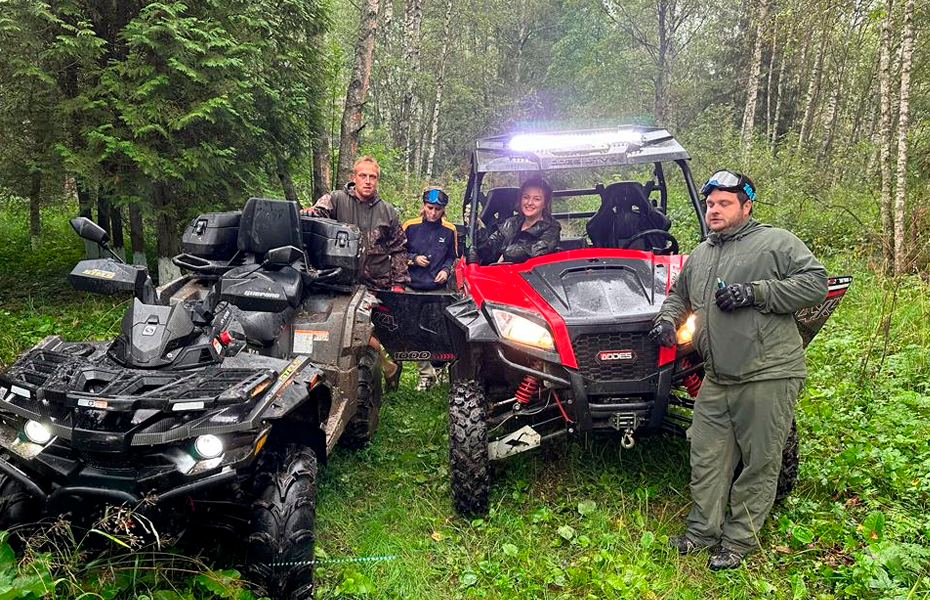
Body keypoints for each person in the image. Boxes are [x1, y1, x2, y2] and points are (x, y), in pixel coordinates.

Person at [649, 170, 827, 570]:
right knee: (706, 457)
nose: (714, 209)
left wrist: (758, 292)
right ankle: (701, 532)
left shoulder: (775, 243)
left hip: (767, 373)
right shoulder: (701, 254)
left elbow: (816, 282)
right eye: (710, 203)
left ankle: (738, 541)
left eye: (724, 203)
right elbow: (680, 297)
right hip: (717, 377)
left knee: (760, 461)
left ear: (746, 206)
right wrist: (667, 319)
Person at [303, 155, 408, 390]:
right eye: (363, 176)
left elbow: (399, 248)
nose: (368, 181)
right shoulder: (336, 200)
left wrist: (399, 283)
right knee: (352, 333)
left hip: (377, 284)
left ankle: (381, 375)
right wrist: (309, 213)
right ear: (354, 178)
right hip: (341, 282)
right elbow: (316, 217)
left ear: (377, 180)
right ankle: (381, 370)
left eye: (373, 177)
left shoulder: (387, 211)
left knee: (374, 334)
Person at [403, 186, 458, 390]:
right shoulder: (410, 226)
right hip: (413, 286)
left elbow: (453, 256)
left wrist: (445, 270)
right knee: (415, 332)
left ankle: (441, 367)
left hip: (437, 287)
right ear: (423, 206)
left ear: (443, 209)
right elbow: (398, 252)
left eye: (437, 209)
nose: (433, 213)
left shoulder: (449, 230)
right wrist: (414, 259)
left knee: (442, 331)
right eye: (429, 208)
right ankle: (425, 375)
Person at [476, 175, 561, 264]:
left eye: (536, 199)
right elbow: (488, 251)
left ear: (544, 204)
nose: (529, 202)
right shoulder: (510, 223)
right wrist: (479, 231)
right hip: (501, 274)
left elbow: (534, 251)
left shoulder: (552, 228)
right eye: (526, 197)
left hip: (532, 276)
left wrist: (506, 255)